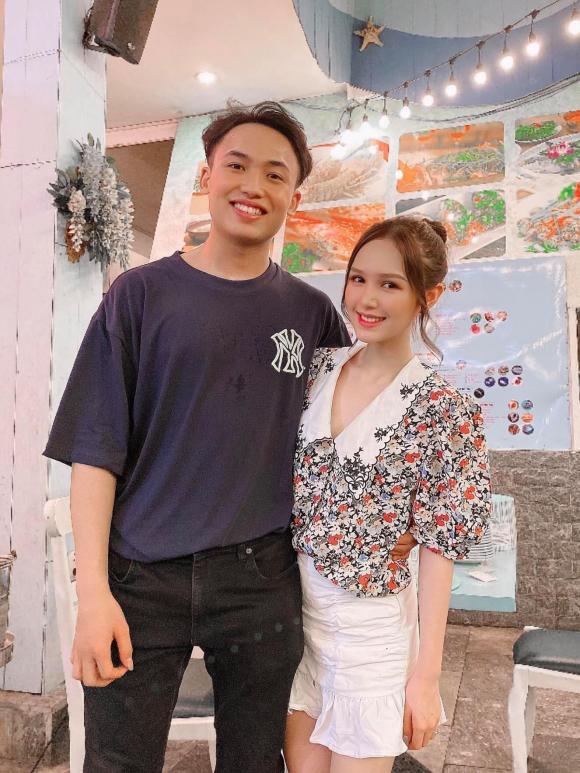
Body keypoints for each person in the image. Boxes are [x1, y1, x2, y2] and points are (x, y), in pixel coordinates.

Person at [43, 101, 416, 773]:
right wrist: (93, 592)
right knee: (117, 762)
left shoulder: (311, 314)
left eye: (275, 175)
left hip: (260, 579)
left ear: (294, 198)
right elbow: (95, 452)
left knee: (255, 761)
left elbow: (351, 437)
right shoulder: (139, 296)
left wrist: (399, 519)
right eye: (236, 166)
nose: (253, 186)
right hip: (139, 577)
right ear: (207, 176)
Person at [284, 216, 491, 773]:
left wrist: (425, 676)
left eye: (390, 284)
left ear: (428, 296)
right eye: (358, 279)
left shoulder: (444, 409)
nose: (367, 299)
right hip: (296, 625)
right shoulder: (316, 371)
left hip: (371, 635)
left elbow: (441, 545)